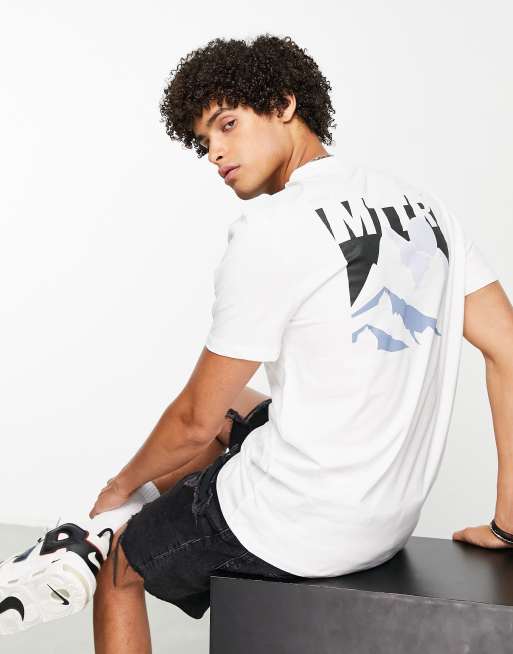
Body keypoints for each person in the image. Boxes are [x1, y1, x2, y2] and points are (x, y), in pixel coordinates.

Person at [1, 32, 512, 653]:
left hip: (297, 527)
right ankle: (100, 527)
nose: (215, 153)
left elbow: (193, 420)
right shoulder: (425, 210)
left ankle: (98, 535)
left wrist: (117, 484)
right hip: (388, 518)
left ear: (285, 104)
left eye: (227, 125)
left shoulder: (273, 228)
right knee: (239, 404)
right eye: (204, 142)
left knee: (121, 566)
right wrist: (508, 525)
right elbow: (508, 352)